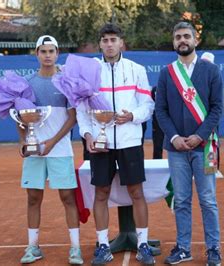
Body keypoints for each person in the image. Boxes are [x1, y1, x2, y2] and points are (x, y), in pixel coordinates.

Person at [76, 23, 155, 265]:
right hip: (101, 143)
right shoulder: (90, 70)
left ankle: (143, 244)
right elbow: (82, 109)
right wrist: (88, 135)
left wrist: (132, 116)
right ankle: (102, 246)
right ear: (99, 43)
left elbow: (147, 105)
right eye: (105, 40)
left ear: (121, 42)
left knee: (136, 192)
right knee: (101, 193)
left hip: (130, 140)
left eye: (113, 39)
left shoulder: (137, 70)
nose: (109, 44)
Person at [155, 22, 223, 266]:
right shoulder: (166, 73)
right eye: (177, 37)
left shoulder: (210, 70)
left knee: (208, 200)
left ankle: (214, 249)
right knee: (181, 200)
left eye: (186, 36)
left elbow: (217, 109)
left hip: (205, 148)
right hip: (176, 148)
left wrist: (200, 136)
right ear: (173, 42)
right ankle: (183, 248)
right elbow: (160, 110)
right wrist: (174, 137)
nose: (182, 40)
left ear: (196, 40)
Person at [17, 35, 83, 265]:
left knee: (67, 197)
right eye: (43, 51)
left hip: (60, 149)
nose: (47, 55)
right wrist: (24, 141)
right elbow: (20, 118)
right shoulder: (26, 83)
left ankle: (75, 249)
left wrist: (52, 143)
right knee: (33, 198)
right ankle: (33, 247)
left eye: (51, 51)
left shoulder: (66, 82)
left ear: (57, 54)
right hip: (35, 152)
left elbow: (72, 118)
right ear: (36, 54)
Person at [200, 52, 223, 179]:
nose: (205, 64)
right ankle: (197, 169)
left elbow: (217, 102)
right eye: (203, 61)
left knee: (213, 142)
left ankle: (214, 168)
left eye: (208, 62)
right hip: (196, 116)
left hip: (211, 117)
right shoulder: (194, 76)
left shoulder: (215, 77)